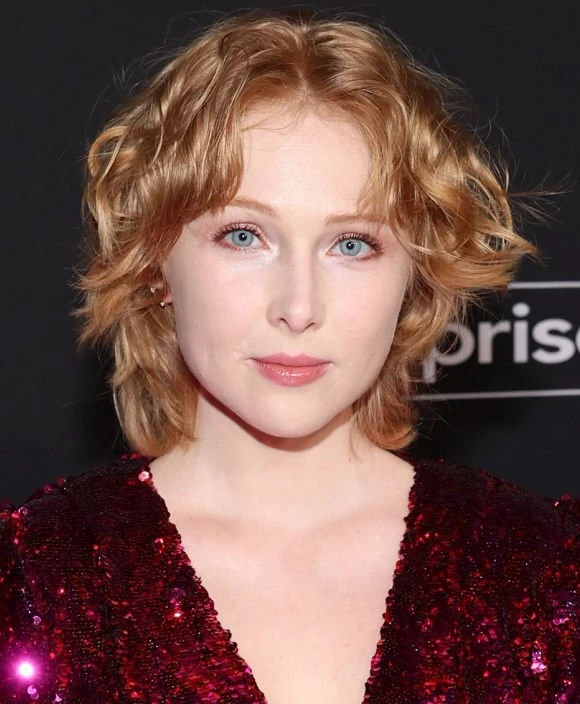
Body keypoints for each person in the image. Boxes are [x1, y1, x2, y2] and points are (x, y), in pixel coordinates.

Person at [1, 7, 579, 703]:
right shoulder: (33, 582)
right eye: (244, 236)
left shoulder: (543, 570)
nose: (299, 307)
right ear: (154, 260)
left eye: (352, 244)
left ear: (415, 275)